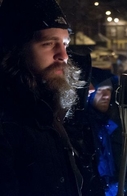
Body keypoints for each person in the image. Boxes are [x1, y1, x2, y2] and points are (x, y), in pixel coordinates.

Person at [0, 0, 85, 195]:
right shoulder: (8, 122)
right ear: (15, 50)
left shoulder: (48, 111)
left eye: (65, 44)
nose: (63, 55)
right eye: (48, 44)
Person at [65, 68, 122, 196]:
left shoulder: (109, 124)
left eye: (109, 90)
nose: (106, 95)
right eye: (100, 90)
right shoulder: (81, 127)